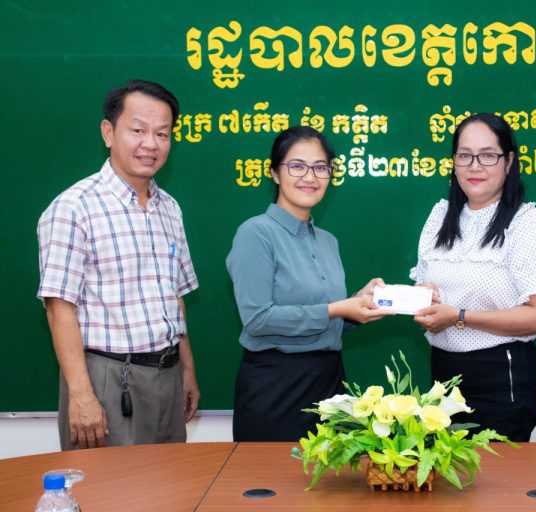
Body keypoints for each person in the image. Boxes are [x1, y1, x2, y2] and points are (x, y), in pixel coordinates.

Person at [37, 79, 200, 450]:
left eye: (162, 133)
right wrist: (81, 395)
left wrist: (187, 370)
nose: (151, 144)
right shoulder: (73, 208)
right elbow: (59, 308)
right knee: (110, 486)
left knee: (173, 483)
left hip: (168, 374)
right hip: (107, 380)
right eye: (138, 130)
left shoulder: (169, 208)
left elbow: (174, 296)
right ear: (108, 132)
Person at [226, 126, 392, 442]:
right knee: (274, 473)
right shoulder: (255, 233)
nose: (310, 177)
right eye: (297, 166)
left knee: (333, 473)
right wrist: (337, 308)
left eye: (320, 167)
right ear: (274, 173)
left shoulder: (328, 241)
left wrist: (359, 305)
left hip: (330, 384)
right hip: (276, 387)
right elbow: (257, 319)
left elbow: (327, 319)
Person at [410, 113, 536, 441]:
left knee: (496, 472)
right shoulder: (440, 218)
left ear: (509, 162)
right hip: (443, 376)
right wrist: (426, 299)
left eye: (488, 156)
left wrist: (459, 316)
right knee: (445, 471)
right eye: (464, 156)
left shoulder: (527, 224)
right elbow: (429, 290)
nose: (475, 166)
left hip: (501, 377)